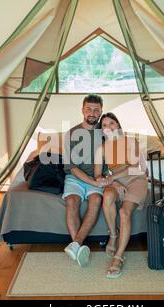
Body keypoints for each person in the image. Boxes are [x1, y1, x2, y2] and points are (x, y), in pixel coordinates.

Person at [94, 112, 148, 279]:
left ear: (118, 125)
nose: (108, 127)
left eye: (112, 123)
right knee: (108, 197)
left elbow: (137, 167)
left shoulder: (131, 141)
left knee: (124, 213)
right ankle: (113, 234)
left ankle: (118, 257)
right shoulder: (101, 149)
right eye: (104, 125)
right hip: (116, 180)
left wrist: (113, 177)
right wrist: (113, 182)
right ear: (101, 130)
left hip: (136, 179)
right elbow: (97, 175)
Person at [62, 94, 108, 267]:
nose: (92, 113)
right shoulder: (71, 134)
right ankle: (78, 246)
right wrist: (93, 182)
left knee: (96, 199)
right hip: (75, 178)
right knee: (72, 201)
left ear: (101, 112)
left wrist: (99, 181)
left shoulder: (104, 133)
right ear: (82, 109)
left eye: (96, 110)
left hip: (97, 178)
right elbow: (72, 167)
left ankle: (75, 246)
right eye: (89, 109)